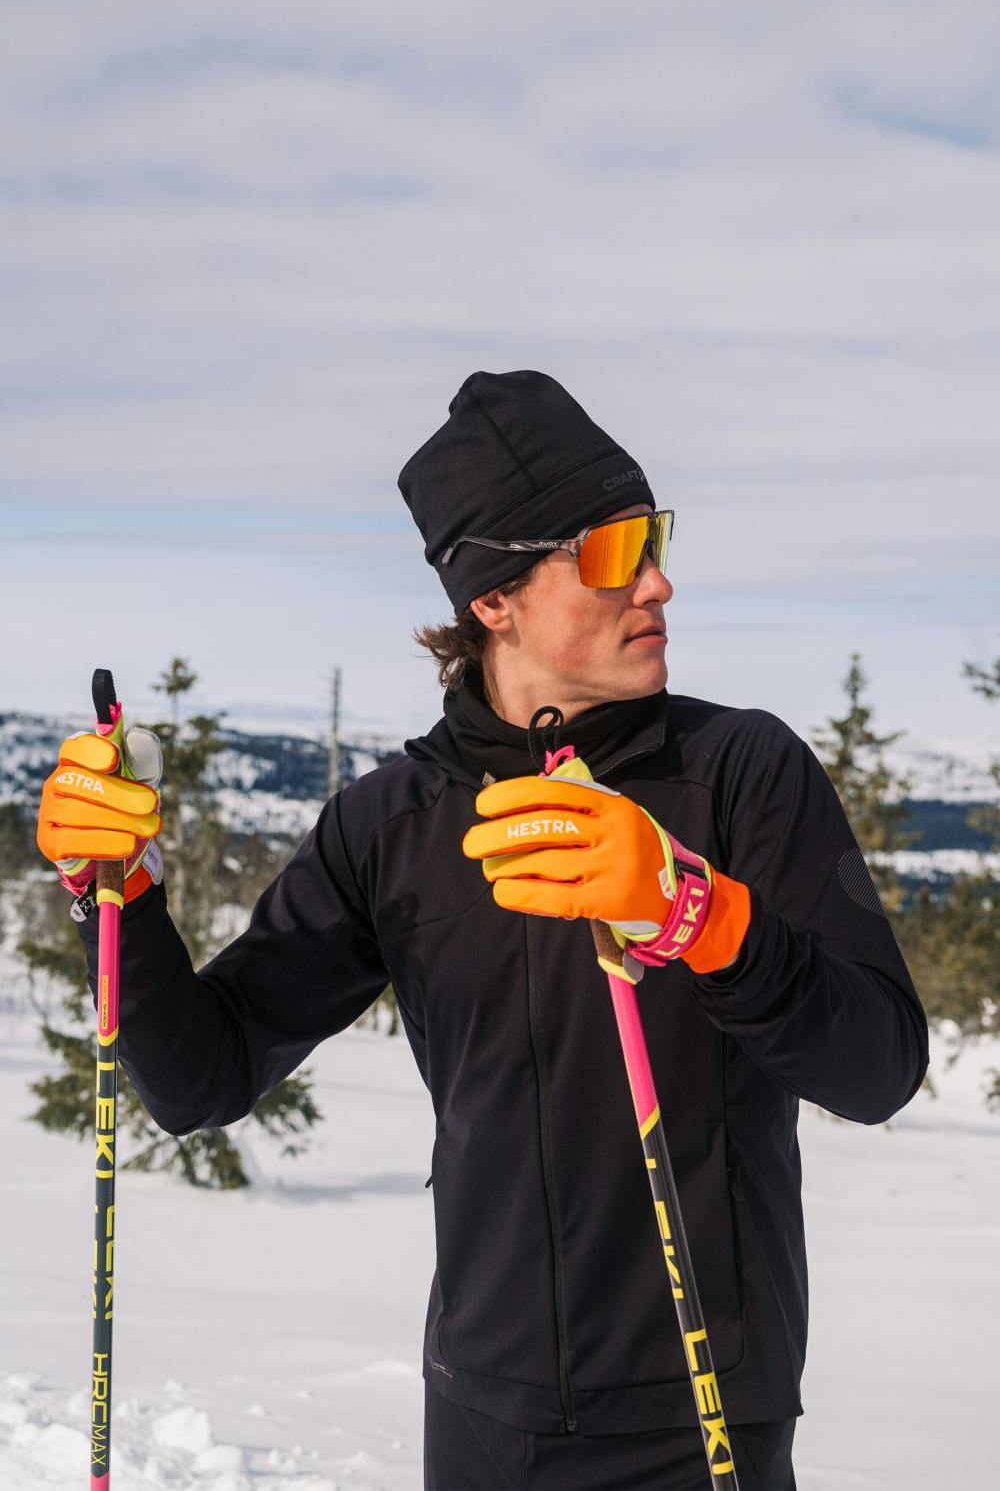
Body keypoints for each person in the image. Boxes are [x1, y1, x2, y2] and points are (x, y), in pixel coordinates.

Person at [37, 370, 928, 1491]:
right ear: (493, 598)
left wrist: (697, 915)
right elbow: (197, 1077)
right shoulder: (390, 823)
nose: (657, 582)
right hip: (480, 1418)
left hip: (700, 1416)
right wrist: (115, 895)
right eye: (609, 553)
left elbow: (881, 1065)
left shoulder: (738, 772)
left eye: (652, 538)